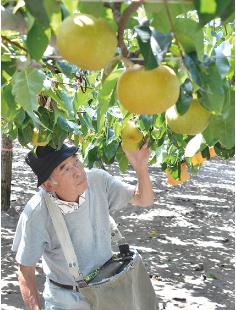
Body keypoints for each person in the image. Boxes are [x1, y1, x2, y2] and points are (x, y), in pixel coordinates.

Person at [12, 142, 154, 309]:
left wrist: (141, 167)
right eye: (65, 168)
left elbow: (144, 199)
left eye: (76, 161)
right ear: (49, 185)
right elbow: (25, 270)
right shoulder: (36, 213)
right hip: (67, 299)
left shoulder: (98, 180)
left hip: (109, 288)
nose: (78, 172)